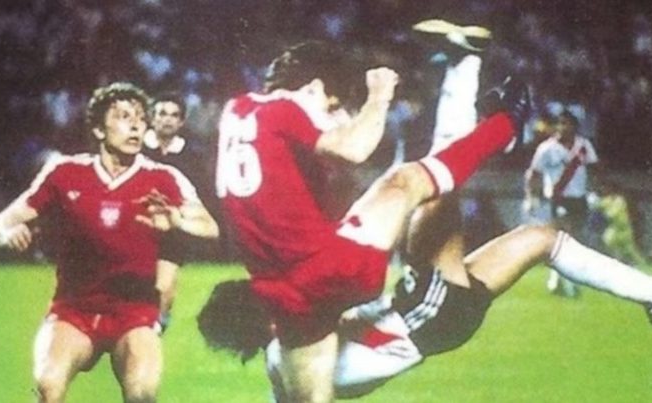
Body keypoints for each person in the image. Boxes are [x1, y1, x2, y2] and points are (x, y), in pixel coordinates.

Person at [214, 40, 528, 402]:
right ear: (314, 87)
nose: (334, 116)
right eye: (333, 107)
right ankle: (506, 126)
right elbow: (355, 149)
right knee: (405, 181)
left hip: (286, 297)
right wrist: (378, 96)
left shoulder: (235, 111)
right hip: (335, 268)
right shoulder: (284, 107)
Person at [198, 209, 652, 400]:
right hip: (424, 318)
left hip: (427, 317)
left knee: (541, 238)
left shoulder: (282, 363)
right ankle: (460, 70)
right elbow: (344, 295)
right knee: (435, 202)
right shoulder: (290, 349)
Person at [0, 82, 219, 403]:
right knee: (47, 387)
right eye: (124, 117)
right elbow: (5, 220)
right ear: (99, 130)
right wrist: (6, 234)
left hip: (135, 313)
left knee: (142, 394)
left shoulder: (164, 177)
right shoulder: (65, 172)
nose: (136, 125)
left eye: (141, 118)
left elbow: (210, 226)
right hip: (74, 310)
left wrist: (178, 221)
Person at [144, 91, 212, 331]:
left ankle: (155, 331)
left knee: (164, 291)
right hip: (136, 227)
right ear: (152, 118)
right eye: (162, 113)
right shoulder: (136, 148)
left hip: (172, 231)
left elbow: (200, 195)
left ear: (181, 122)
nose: (167, 120)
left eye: (174, 115)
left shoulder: (191, 156)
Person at [524, 110, 599, 297]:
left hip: (579, 198)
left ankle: (556, 279)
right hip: (558, 198)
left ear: (575, 127)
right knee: (566, 235)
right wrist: (531, 196)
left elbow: (595, 168)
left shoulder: (583, 146)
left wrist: (596, 191)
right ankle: (569, 285)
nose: (562, 127)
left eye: (567, 123)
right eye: (560, 123)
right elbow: (534, 174)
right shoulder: (546, 148)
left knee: (575, 239)